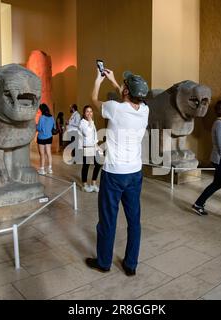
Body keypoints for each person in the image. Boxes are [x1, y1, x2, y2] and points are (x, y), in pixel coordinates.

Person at [85, 67, 149, 276]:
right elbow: (129, 99)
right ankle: (131, 265)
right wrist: (115, 82)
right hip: (135, 173)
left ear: (125, 92)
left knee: (108, 220)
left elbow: (93, 100)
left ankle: (104, 262)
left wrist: (98, 79)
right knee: (134, 221)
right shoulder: (145, 110)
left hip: (114, 174)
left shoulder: (114, 108)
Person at [79, 105, 102, 193]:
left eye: (91, 111)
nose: (89, 113)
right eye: (87, 111)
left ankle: (93, 183)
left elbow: (94, 135)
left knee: (98, 164)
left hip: (93, 147)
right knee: (86, 166)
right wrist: (90, 122)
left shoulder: (92, 122)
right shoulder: (82, 122)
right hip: (87, 147)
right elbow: (87, 133)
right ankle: (84, 185)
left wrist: (97, 145)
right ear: (84, 113)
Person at [36, 104, 55, 175]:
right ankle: (50, 169)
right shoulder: (52, 117)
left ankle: (42, 169)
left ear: (42, 110)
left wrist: (36, 125)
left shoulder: (42, 117)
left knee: (42, 154)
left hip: (41, 138)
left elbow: (39, 128)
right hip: (49, 137)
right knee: (49, 153)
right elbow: (54, 127)